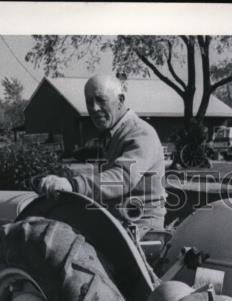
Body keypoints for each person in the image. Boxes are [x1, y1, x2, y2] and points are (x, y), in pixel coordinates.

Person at [38, 74, 166, 230]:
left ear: (120, 100)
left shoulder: (140, 133)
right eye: (89, 102)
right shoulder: (112, 135)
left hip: (141, 227)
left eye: (101, 100)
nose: (94, 108)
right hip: (118, 221)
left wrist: (73, 185)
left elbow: (122, 178)